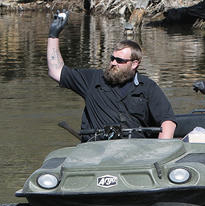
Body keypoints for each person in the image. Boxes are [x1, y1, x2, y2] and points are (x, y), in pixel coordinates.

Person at [46, 10, 176, 141]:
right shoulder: (92, 80)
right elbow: (56, 71)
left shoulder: (148, 87)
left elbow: (167, 122)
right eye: (112, 58)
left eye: (119, 60)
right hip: (95, 153)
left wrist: (160, 150)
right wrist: (53, 35)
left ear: (134, 64)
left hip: (135, 154)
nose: (113, 63)